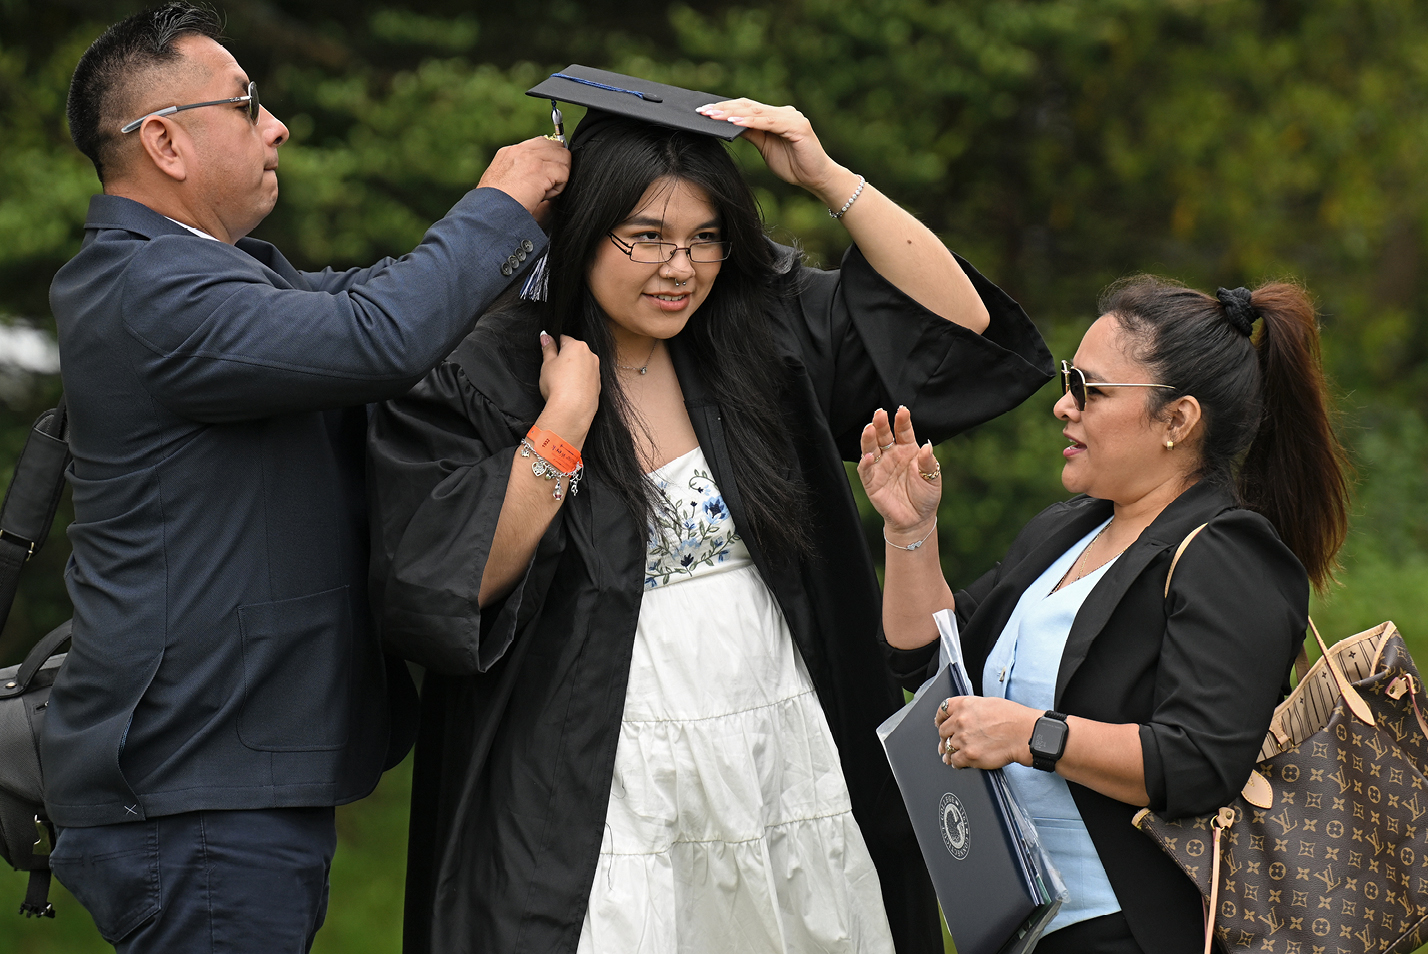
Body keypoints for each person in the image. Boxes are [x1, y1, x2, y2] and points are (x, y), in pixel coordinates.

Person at [368, 67, 1053, 954]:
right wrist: (562, 425)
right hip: (592, 762)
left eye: (705, 238)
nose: (679, 268)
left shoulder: (756, 338)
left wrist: (827, 177)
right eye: (647, 236)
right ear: (583, 229)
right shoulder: (491, 368)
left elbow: (961, 329)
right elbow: (450, 583)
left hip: (780, 736)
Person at [41, 4, 569, 952]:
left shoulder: (208, 274)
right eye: (247, 104)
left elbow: (374, 300)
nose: (276, 126)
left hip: (218, 791)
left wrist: (536, 240)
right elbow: (379, 336)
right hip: (200, 803)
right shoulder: (150, 289)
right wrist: (498, 203)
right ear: (164, 141)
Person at [859, 277, 1352, 954]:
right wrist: (910, 531)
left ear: (1177, 420)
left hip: (1134, 931)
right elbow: (926, 659)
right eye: (1069, 381)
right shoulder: (1066, 531)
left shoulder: (1228, 554)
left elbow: (1199, 761)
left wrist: (1034, 734)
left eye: (1088, 389)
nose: (1063, 405)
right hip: (1022, 930)